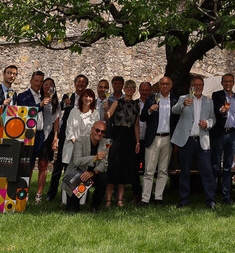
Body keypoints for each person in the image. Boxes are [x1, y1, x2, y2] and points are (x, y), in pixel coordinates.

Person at [172, 75, 217, 209]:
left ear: (203, 87)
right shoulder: (183, 98)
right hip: (187, 141)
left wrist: (207, 123)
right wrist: (183, 104)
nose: (197, 87)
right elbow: (174, 110)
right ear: (191, 86)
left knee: (206, 172)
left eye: (200, 85)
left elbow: (213, 119)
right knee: (184, 171)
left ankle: (210, 201)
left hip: (202, 141)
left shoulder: (209, 102)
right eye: (195, 85)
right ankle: (184, 200)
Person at [101, 74, 140, 207]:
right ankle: (108, 200)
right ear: (124, 89)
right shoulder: (118, 102)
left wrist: (138, 142)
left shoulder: (137, 104)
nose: (129, 89)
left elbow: (136, 124)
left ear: (135, 90)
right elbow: (107, 117)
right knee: (113, 167)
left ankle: (119, 199)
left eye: (132, 87)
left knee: (124, 168)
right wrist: (105, 109)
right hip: (117, 136)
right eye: (128, 87)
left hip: (130, 138)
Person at [139, 76, 174, 205]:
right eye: (162, 84)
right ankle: (145, 199)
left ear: (171, 85)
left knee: (163, 171)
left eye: (167, 84)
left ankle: (158, 197)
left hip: (168, 138)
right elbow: (142, 118)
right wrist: (149, 110)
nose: (165, 86)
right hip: (153, 138)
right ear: (158, 86)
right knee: (148, 170)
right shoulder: (151, 99)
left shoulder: (174, 100)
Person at [63, 120, 110, 212]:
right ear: (92, 130)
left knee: (104, 178)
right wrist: (95, 158)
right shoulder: (80, 141)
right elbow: (77, 161)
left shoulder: (105, 143)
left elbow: (104, 164)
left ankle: (95, 207)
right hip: (78, 173)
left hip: (93, 173)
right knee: (72, 210)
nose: (99, 133)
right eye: (97, 130)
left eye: (102, 132)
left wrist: (92, 173)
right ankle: (74, 205)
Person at [210, 73, 235, 204]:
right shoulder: (217, 95)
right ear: (222, 83)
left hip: (233, 134)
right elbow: (214, 110)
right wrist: (220, 111)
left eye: (230, 81)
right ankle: (211, 196)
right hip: (220, 133)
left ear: (233, 83)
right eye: (226, 81)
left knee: (228, 167)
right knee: (215, 166)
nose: (228, 84)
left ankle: (226, 196)